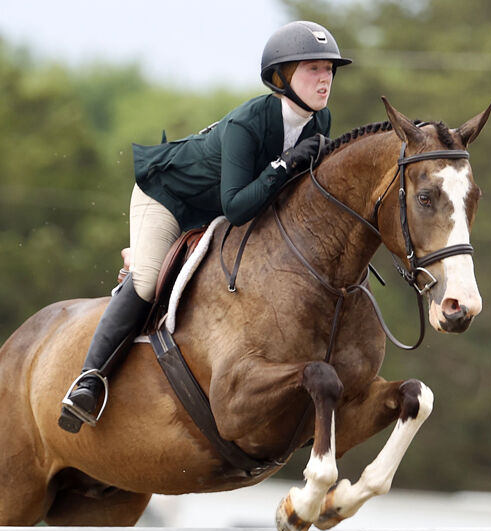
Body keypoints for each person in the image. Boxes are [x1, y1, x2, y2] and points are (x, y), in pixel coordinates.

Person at [58, 20, 352, 433]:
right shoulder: (247, 124)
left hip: (216, 209)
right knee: (145, 281)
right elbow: (236, 208)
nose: (324, 80)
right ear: (282, 77)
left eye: (329, 70)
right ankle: (89, 380)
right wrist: (285, 164)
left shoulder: (319, 122)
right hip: (169, 200)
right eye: (313, 69)